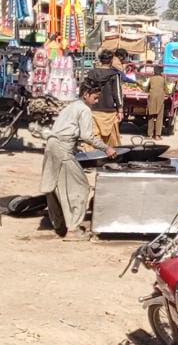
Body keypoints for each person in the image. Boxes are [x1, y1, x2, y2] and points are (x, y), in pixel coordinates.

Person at [41, 81, 117, 241]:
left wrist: (75, 148)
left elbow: (66, 131)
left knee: (55, 187)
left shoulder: (72, 106)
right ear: (86, 95)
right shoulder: (84, 109)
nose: (97, 101)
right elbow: (87, 136)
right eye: (95, 97)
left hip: (52, 146)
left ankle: (60, 225)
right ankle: (73, 230)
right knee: (80, 187)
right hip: (62, 150)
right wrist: (106, 148)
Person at [84, 50, 122, 148]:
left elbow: (85, 90)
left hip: (93, 109)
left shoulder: (91, 73)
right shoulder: (114, 75)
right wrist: (120, 110)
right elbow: (117, 93)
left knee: (94, 137)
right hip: (109, 110)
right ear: (111, 60)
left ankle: (92, 155)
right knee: (111, 140)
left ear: (100, 60)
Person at [146, 65, 167, 140]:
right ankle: (157, 135)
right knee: (159, 117)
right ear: (161, 72)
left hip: (152, 98)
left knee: (151, 117)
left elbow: (146, 88)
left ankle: (150, 135)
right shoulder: (163, 79)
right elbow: (166, 89)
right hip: (160, 99)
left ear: (154, 72)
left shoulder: (151, 79)